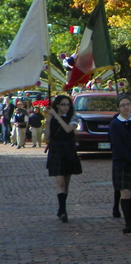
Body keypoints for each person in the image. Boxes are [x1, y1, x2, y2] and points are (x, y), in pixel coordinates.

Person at [109, 94, 131, 234]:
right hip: (122, 162)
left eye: (128, 104)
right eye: (123, 105)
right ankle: (127, 223)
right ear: (118, 108)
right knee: (125, 192)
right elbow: (118, 146)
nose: (126, 107)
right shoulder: (115, 124)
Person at [45, 95, 82, 223]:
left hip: (68, 150)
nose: (66, 107)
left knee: (66, 182)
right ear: (57, 105)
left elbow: (67, 129)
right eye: (63, 104)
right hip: (56, 149)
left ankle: (62, 207)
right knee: (59, 181)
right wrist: (48, 120)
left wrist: (56, 115)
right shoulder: (52, 117)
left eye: (68, 104)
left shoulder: (73, 117)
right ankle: (62, 210)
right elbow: (47, 136)